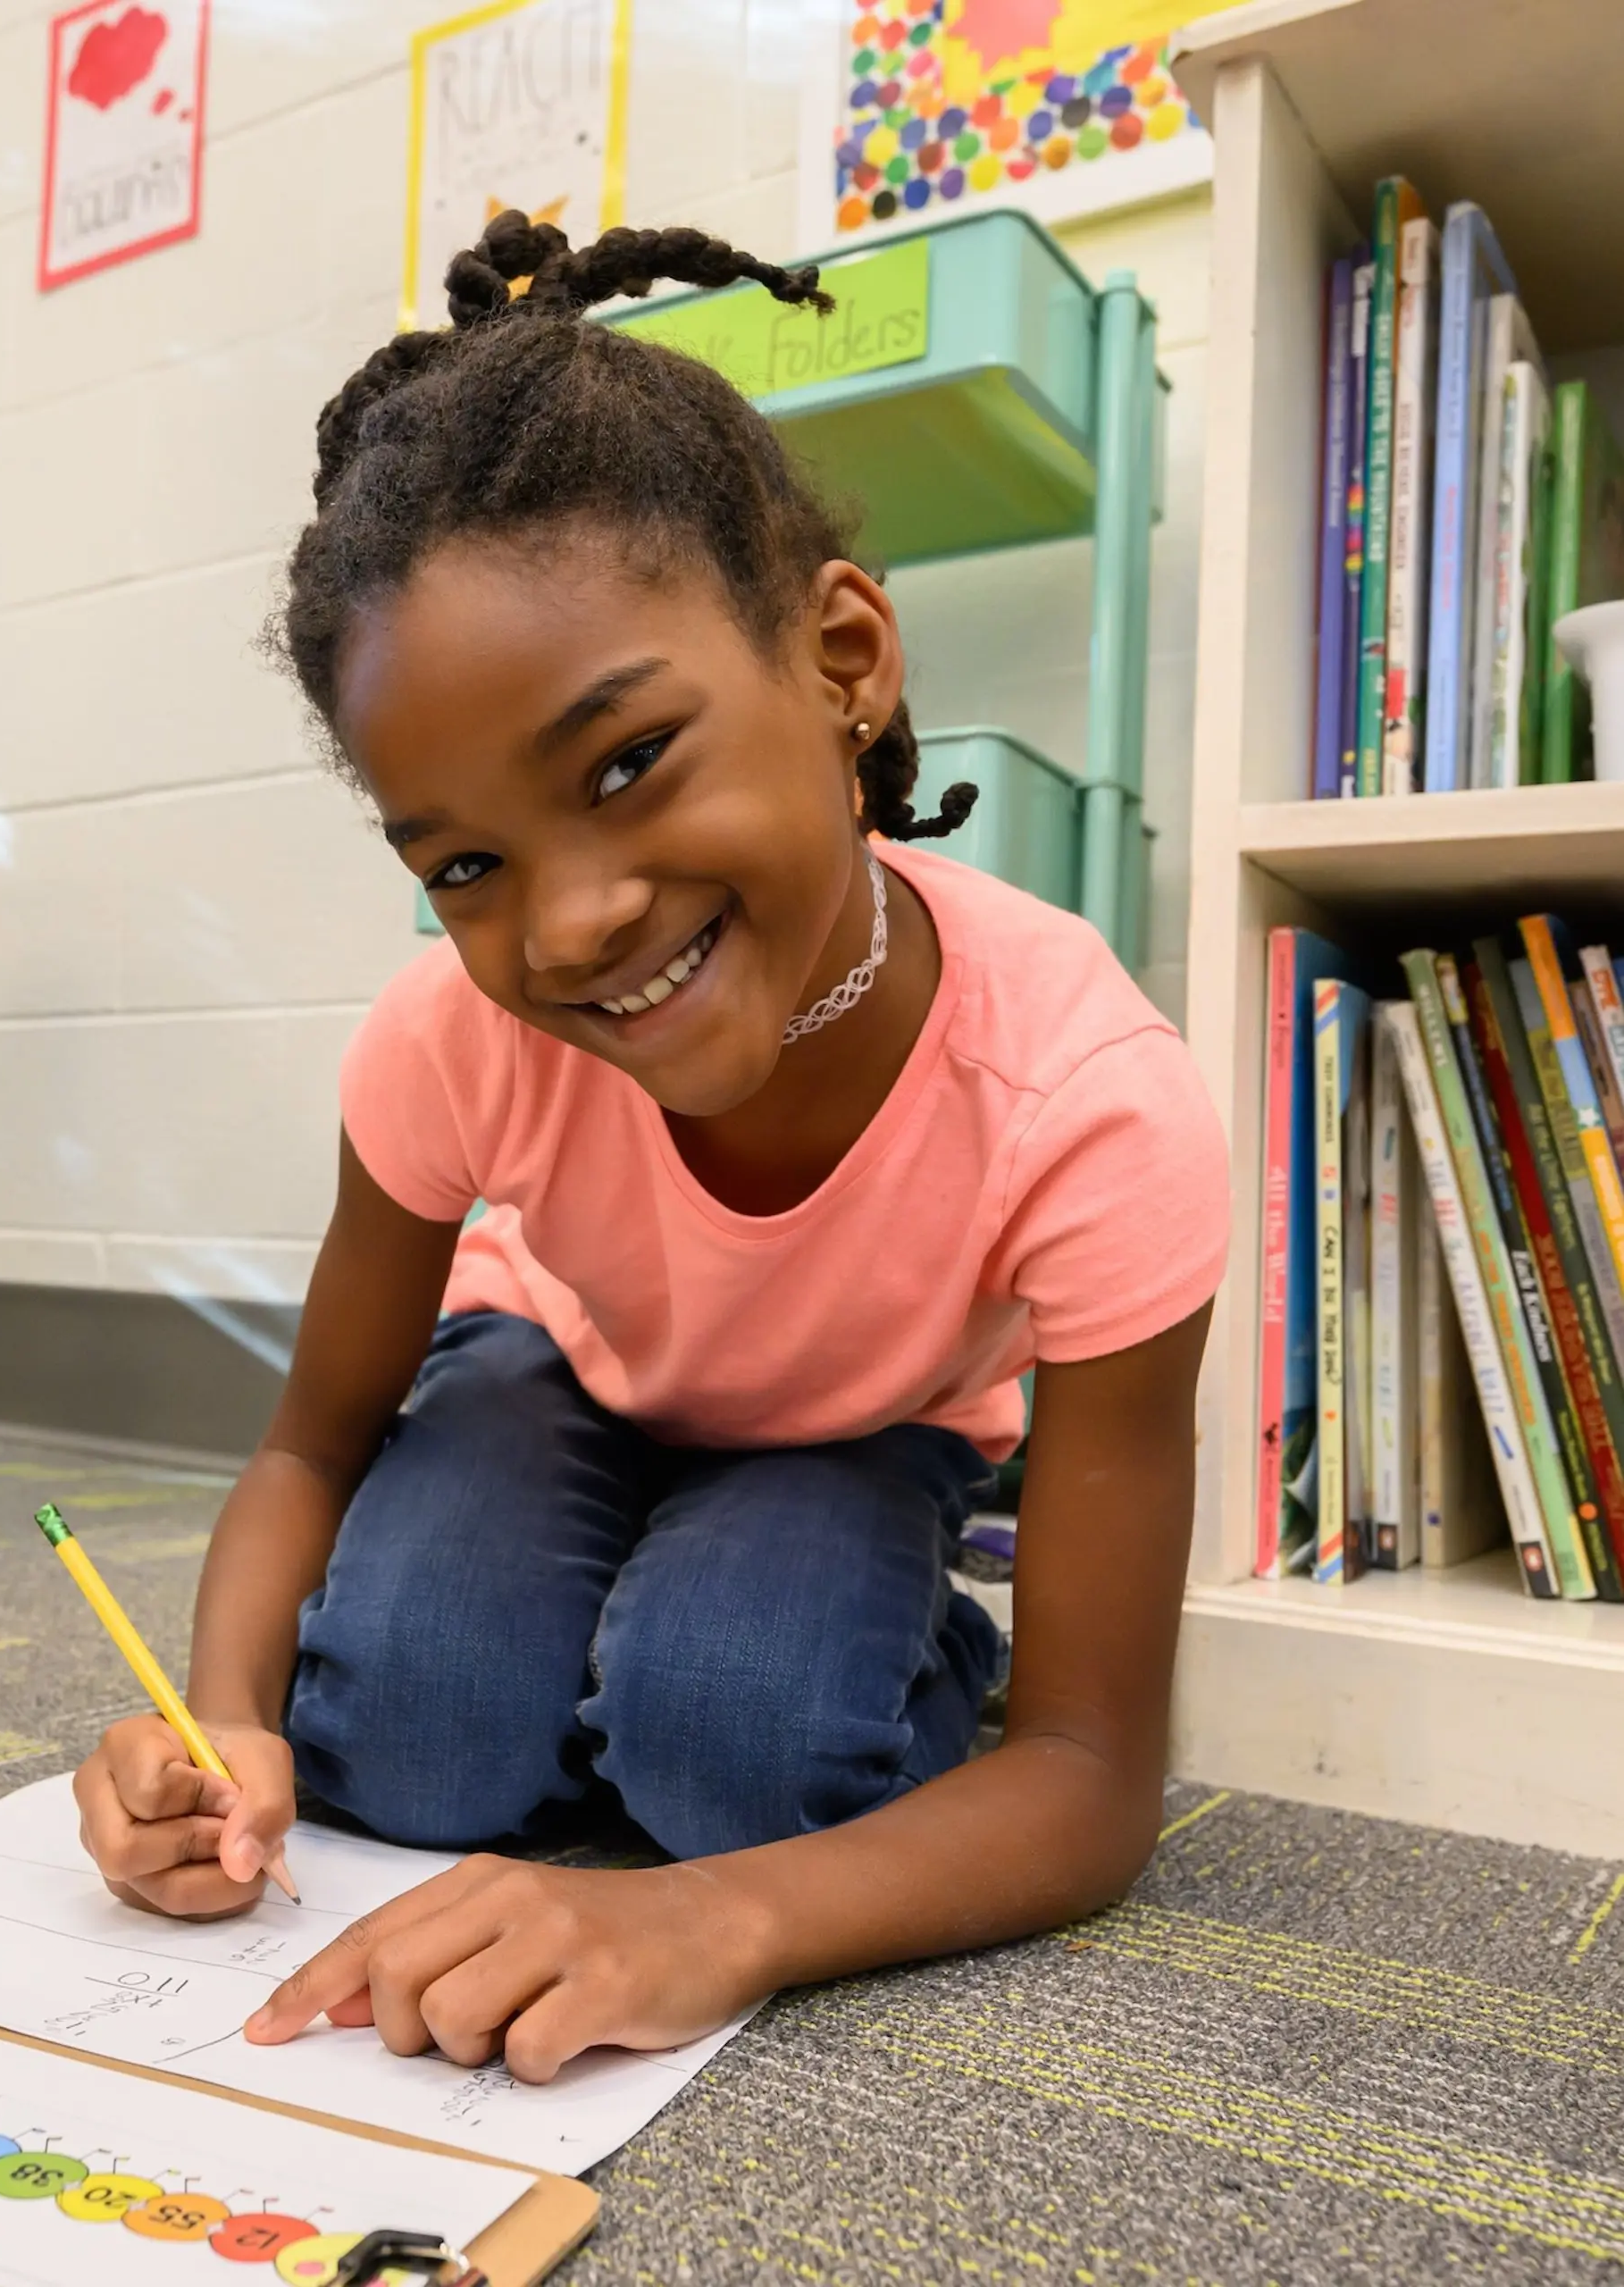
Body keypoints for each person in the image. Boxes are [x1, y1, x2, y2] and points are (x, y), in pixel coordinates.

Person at [71, 214, 1229, 2083]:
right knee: (418, 1735)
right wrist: (215, 1729)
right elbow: (309, 1436)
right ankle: (603, 1594)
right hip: (551, 1368)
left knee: (743, 1752)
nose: (572, 924)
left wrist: (702, 1916)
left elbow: (1087, 1776)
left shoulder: (1089, 1095)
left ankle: (749, 1618)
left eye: (624, 763)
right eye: (464, 863)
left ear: (843, 655)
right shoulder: (450, 1042)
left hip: (863, 1427)